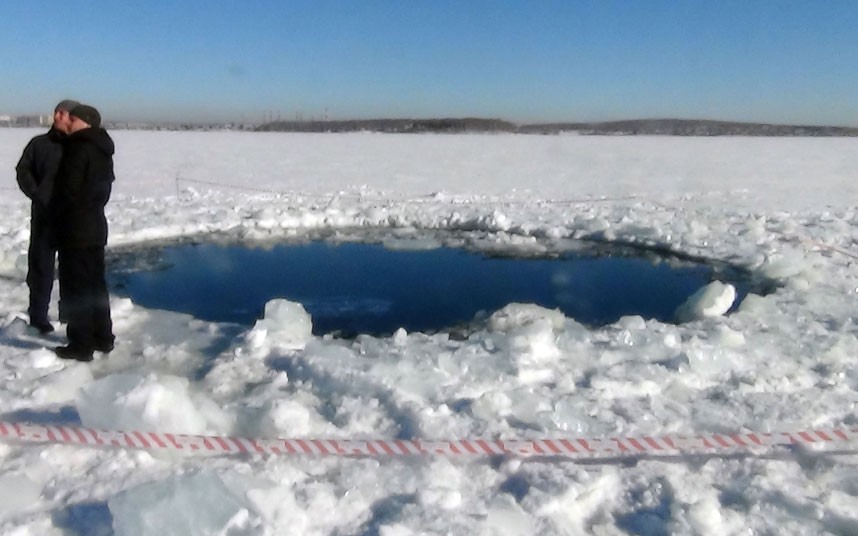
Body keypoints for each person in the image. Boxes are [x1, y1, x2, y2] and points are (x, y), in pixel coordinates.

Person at [51, 104, 116, 362]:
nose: (68, 122)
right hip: (95, 225)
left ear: (86, 122)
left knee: (77, 287)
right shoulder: (102, 147)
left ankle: (81, 344)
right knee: (95, 284)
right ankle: (103, 337)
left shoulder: (79, 147)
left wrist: (59, 212)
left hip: (76, 228)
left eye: (73, 118)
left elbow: (69, 189)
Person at [15, 99, 79, 334]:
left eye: (64, 113)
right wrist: (38, 193)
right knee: (41, 267)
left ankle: (70, 315)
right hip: (44, 216)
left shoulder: (81, 147)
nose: (58, 116)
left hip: (73, 218)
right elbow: (23, 171)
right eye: (57, 112)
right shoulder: (39, 144)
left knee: (72, 269)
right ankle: (38, 315)